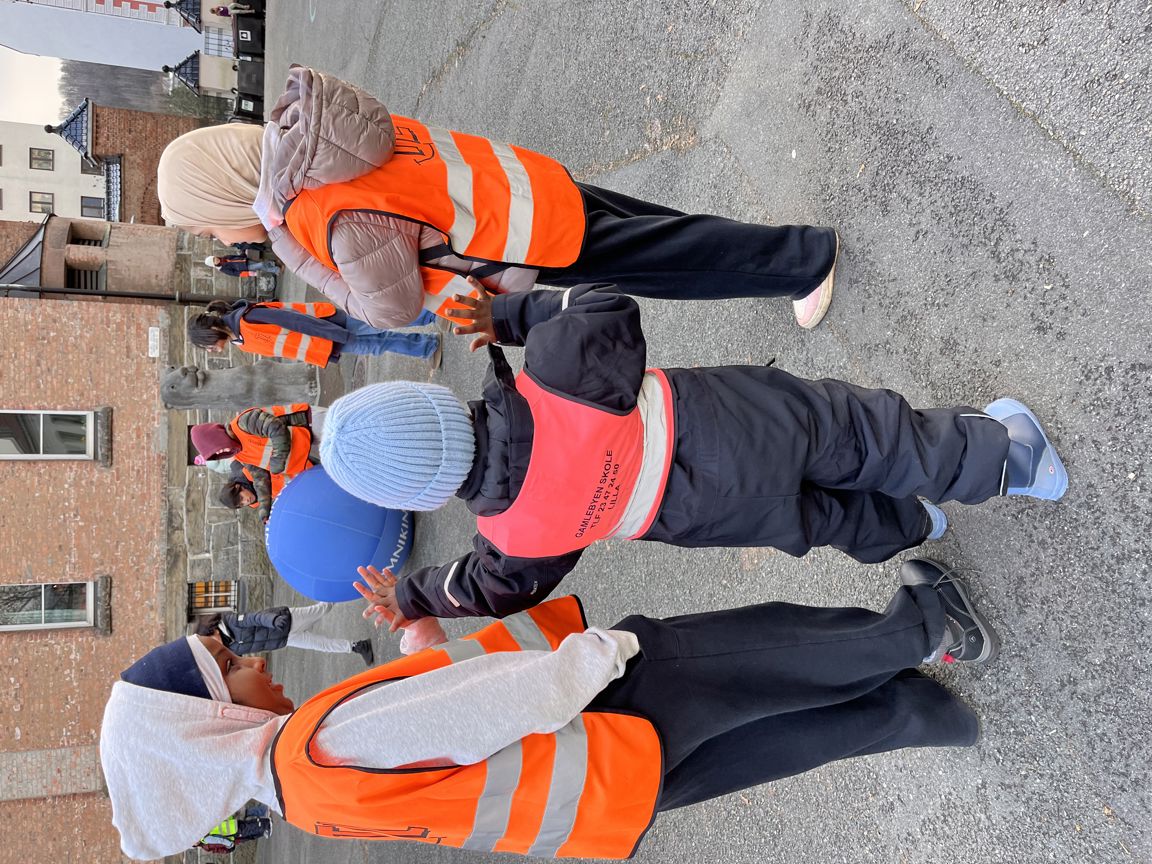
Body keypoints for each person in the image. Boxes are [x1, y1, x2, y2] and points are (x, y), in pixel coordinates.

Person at [100, 558, 995, 861]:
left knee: (780, 737)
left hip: (604, 795)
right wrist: (596, 657)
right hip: (604, 711)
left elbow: (429, 753)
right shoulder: (309, 741)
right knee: (766, 654)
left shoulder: (303, 799)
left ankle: (925, 716)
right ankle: (928, 628)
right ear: (207, 725)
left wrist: (422, 643)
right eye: (230, 669)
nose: (254, 661)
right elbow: (473, 714)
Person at [316, 281, 1067, 626]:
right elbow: (605, 306)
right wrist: (511, 314)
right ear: (434, 404)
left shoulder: (511, 540)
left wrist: (412, 596)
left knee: (822, 518)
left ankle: (913, 525)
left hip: (693, 517)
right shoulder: (552, 371)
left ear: (421, 496)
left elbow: (485, 591)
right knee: (865, 436)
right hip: (731, 420)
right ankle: (1008, 459)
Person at [156, 66, 839, 332]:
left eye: (209, 226)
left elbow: (390, 309)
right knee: (663, 234)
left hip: (523, 237)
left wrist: (294, 253)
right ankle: (780, 259)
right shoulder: (314, 136)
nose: (221, 241)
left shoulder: (318, 215)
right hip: (520, 187)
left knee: (673, 259)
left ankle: (802, 262)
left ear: (224, 198)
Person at [187, 298, 441, 368]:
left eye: (207, 344)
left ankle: (432, 313)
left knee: (380, 323)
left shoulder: (249, 318)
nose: (211, 350)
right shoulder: (239, 341)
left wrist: (336, 334)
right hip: (327, 341)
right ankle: (427, 346)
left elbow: (298, 322)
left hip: (330, 328)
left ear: (213, 330)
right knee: (377, 343)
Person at [194, 603, 375, 664]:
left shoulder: (231, 621)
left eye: (209, 639)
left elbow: (255, 618)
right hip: (286, 638)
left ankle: (345, 585)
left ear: (213, 629)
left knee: (323, 608)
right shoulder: (231, 647)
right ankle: (359, 647)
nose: (212, 644)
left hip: (286, 620)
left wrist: (273, 621)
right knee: (321, 645)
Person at [190, 403, 313, 481]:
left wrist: (277, 460)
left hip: (308, 424)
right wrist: (264, 507)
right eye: (216, 454)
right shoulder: (239, 455)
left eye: (216, 448)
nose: (220, 452)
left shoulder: (243, 423)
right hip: (306, 455)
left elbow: (276, 428)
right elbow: (259, 476)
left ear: (216, 437)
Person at [218, 459, 295, 523]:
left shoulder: (247, 471)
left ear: (238, 487)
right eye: (242, 504)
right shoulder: (255, 503)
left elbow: (262, 483)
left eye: (241, 498)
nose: (246, 501)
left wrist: (264, 512)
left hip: (293, 464)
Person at [194, 813, 271, 853]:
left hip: (232, 831)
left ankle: (266, 824)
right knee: (247, 825)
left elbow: (220, 840)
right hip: (230, 825)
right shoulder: (203, 830)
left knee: (248, 828)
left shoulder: (205, 839)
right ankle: (264, 824)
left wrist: (229, 844)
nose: (195, 843)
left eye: (194, 843)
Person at [205, 254, 281, 278]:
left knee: (261, 264)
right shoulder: (223, 269)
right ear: (214, 265)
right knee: (260, 265)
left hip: (245, 261)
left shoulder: (224, 257)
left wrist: (243, 255)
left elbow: (235, 256)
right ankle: (276, 270)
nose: (216, 260)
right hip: (245, 268)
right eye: (214, 261)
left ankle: (273, 264)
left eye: (214, 258)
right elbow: (234, 273)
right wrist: (248, 274)